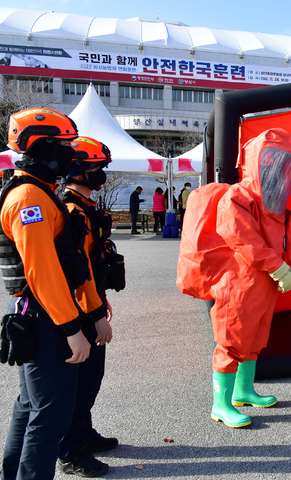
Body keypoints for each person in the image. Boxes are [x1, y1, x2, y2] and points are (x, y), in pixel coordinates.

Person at [0, 108, 99, 479]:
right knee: (49, 418)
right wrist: (73, 328)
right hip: (45, 317)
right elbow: (42, 271)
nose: (70, 155)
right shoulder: (30, 198)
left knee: (30, 409)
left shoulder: (37, 191)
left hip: (37, 313)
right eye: (63, 146)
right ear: (41, 147)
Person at [188, 128, 291, 428]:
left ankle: (242, 391)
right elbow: (241, 236)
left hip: (265, 282)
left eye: (284, 162)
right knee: (231, 339)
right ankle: (221, 404)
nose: (279, 168)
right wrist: (280, 268)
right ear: (256, 161)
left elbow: (290, 231)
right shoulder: (237, 197)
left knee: (255, 337)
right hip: (239, 282)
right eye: (273, 160)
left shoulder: (278, 206)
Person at [57, 136, 117, 477]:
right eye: (96, 167)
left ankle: (84, 434)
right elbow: (78, 272)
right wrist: (95, 317)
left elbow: (93, 265)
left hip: (90, 302)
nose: (101, 173)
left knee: (91, 378)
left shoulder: (85, 207)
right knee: (77, 382)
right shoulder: (71, 211)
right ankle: (71, 450)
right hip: (79, 310)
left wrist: (102, 299)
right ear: (78, 170)